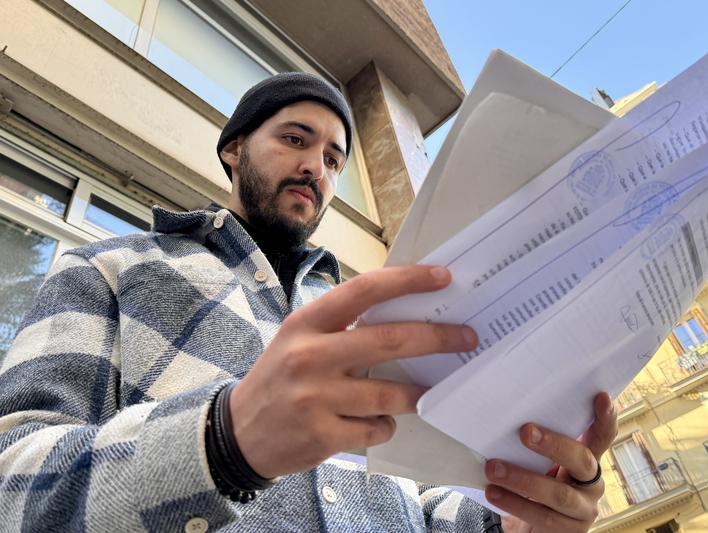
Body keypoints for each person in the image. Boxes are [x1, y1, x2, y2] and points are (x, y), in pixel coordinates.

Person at [0, 72, 618, 532]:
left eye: (332, 159)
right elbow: (12, 486)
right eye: (295, 139)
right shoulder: (112, 266)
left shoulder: (367, 322)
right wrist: (222, 441)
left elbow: (415, 500)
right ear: (233, 150)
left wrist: (514, 515)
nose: (315, 168)